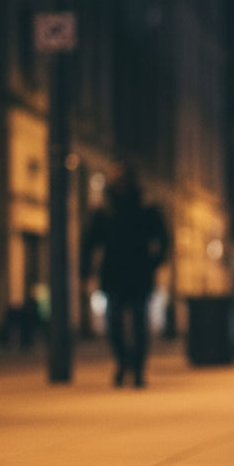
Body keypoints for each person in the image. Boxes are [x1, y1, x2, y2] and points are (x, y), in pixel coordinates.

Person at [80, 165, 169, 387]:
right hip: (114, 275)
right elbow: (89, 243)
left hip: (139, 274)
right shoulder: (106, 210)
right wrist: (85, 272)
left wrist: (154, 263)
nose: (120, 185)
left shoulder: (145, 208)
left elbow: (164, 238)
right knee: (113, 324)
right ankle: (122, 362)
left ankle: (137, 369)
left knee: (139, 323)